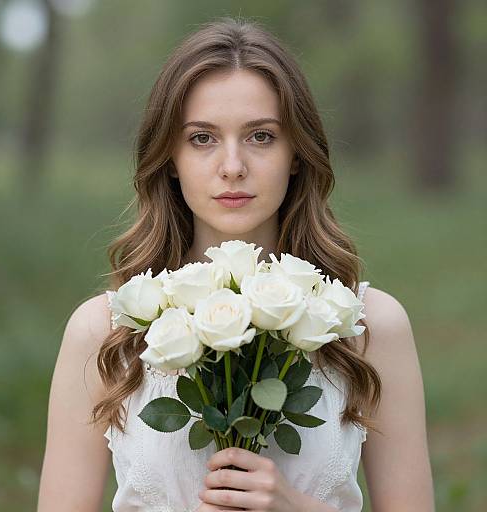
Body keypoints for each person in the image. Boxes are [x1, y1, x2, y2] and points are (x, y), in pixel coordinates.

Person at [37, 16, 435, 512]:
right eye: (202, 138)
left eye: (261, 136)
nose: (232, 166)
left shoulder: (368, 325)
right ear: (170, 156)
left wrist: (295, 508)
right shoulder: (104, 331)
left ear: (296, 153)